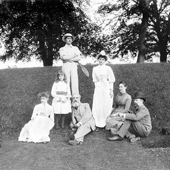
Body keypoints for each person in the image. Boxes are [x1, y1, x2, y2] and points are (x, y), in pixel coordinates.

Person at [92, 51, 115, 131]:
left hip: (106, 88)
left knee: (106, 105)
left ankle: (106, 123)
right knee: (98, 105)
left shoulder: (108, 68)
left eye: (102, 59)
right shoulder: (95, 69)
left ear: (105, 60)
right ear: (98, 60)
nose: (101, 60)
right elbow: (95, 80)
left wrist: (111, 90)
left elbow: (111, 80)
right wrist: (97, 87)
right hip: (98, 88)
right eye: (100, 59)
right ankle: (97, 123)